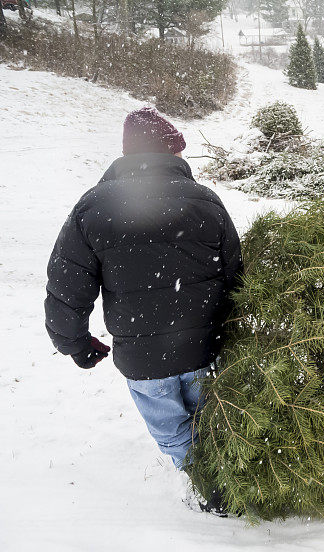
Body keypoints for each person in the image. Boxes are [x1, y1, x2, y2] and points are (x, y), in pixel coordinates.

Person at [45, 107, 241, 513]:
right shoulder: (205, 200)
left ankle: (199, 477)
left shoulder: (93, 207)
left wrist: (74, 342)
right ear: (172, 154)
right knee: (207, 415)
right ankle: (220, 475)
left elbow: (68, 284)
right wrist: (231, 328)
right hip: (203, 343)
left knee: (170, 426)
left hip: (143, 357)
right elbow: (235, 274)